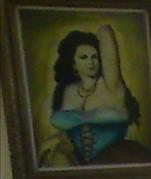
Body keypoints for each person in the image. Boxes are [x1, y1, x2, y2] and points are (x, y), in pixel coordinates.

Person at [38, 26, 145, 167]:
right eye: (83, 57)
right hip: (77, 158)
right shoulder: (70, 90)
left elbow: (105, 32)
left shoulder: (110, 86)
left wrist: (79, 118)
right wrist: (93, 116)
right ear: (73, 64)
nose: (91, 62)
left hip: (112, 155)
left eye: (95, 57)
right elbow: (57, 120)